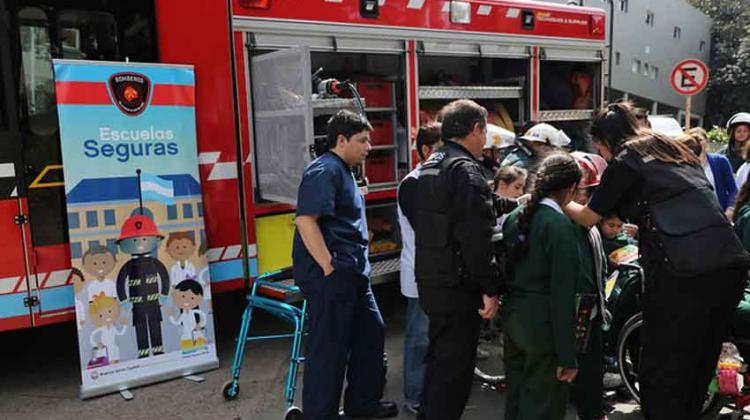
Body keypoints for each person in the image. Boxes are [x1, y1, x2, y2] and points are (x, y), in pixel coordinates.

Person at [564, 102, 749, 420]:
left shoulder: (626, 160)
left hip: (683, 274)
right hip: (729, 266)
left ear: (606, 140)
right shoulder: (673, 151)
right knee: (698, 365)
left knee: (661, 371)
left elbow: (588, 217)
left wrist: (555, 198)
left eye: (600, 147)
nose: (602, 154)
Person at [292, 110, 397, 420]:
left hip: (353, 275)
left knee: (371, 337)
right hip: (333, 278)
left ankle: (362, 407)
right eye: (362, 140)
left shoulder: (344, 169)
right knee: (329, 353)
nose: (368, 148)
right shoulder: (324, 170)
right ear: (341, 140)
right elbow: (305, 220)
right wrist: (328, 266)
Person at [414, 99, 499, 420]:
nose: (485, 139)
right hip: (458, 288)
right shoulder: (465, 170)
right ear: (475, 129)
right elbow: (476, 239)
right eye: (484, 131)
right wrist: (489, 288)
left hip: (432, 281)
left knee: (438, 366)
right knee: (454, 377)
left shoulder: (432, 164)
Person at [502, 153, 583, 420]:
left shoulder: (516, 215)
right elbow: (563, 296)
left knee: (516, 396)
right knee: (543, 404)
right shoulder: (560, 226)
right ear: (571, 188)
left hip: (514, 318)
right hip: (543, 326)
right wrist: (568, 356)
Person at [397, 122, 443, 415]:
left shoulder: (434, 179)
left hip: (435, 273)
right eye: (441, 150)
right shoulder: (413, 183)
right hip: (419, 274)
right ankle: (414, 393)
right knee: (419, 337)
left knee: (434, 335)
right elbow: (428, 231)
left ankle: (429, 388)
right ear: (425, 150)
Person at [571, 153, 609, 420]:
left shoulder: (590, 224)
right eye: (586, 191)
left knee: (591, 371)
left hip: (591, 309)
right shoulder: (560, 225)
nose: (590, 198)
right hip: (572, 311)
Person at [677, 128, 737, 211]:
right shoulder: (683, 165)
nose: (698, 143)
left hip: (719, 212)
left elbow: (733, 190)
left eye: (700, 140)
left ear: (707, 141)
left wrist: (730, 208)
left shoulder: (720, 161)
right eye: (694, 140)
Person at [501, 123, 571, 190]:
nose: (553, 153)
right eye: (552, 148)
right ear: (541, 144)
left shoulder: (522, 156)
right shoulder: (525, 164)